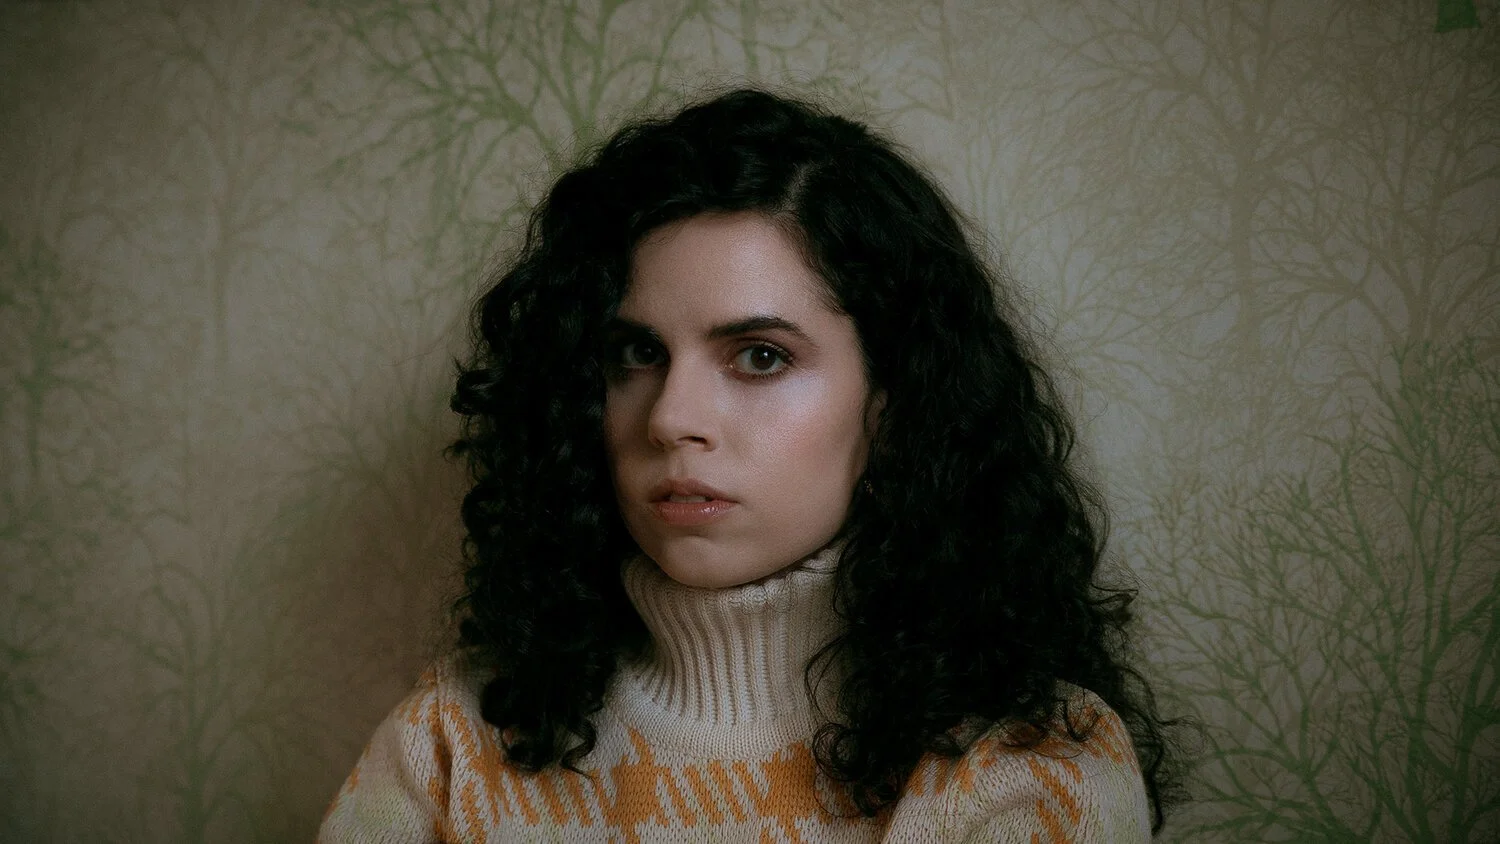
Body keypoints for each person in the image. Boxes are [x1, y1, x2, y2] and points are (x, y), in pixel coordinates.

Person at [318, 86, 1185, 842]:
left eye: (760, 356)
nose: (670, 418)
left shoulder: (1031, 767)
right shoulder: (453, 739)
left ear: (895, 400)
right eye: (636, 354)